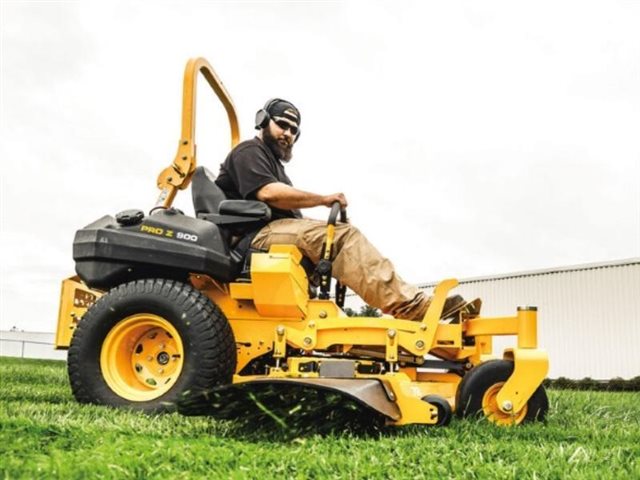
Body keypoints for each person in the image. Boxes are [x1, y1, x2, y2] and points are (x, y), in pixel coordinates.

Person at [215, 98, 467, 320]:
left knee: (336, 233)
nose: (288, 133)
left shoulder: (274, 165)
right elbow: (269, 193)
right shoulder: (248, 151)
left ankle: (403, 305)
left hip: (269, 231)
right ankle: (410, 307)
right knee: (342, 238)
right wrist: (324, 199)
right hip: (254, 237)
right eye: (282, 125)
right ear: (263, 121)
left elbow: (287, 210)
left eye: (294, 130)